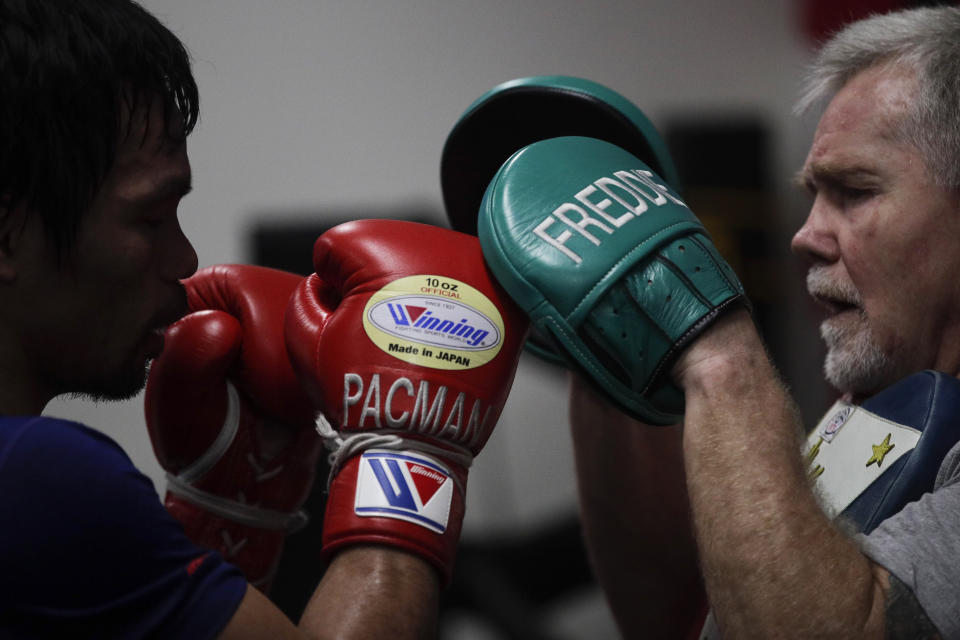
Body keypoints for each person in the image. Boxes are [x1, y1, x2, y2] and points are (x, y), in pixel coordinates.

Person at [0, 1, 528, 638]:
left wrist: (226, 522)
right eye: (149, 218)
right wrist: (411, 449)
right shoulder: (35, 477)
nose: (185, 258)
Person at [566, 5, 960, 638]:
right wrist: (605, 361)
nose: (806, 235)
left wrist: (720, 354)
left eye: (853, 191)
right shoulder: (882, 401)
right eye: (812, 195)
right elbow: (684, 616)